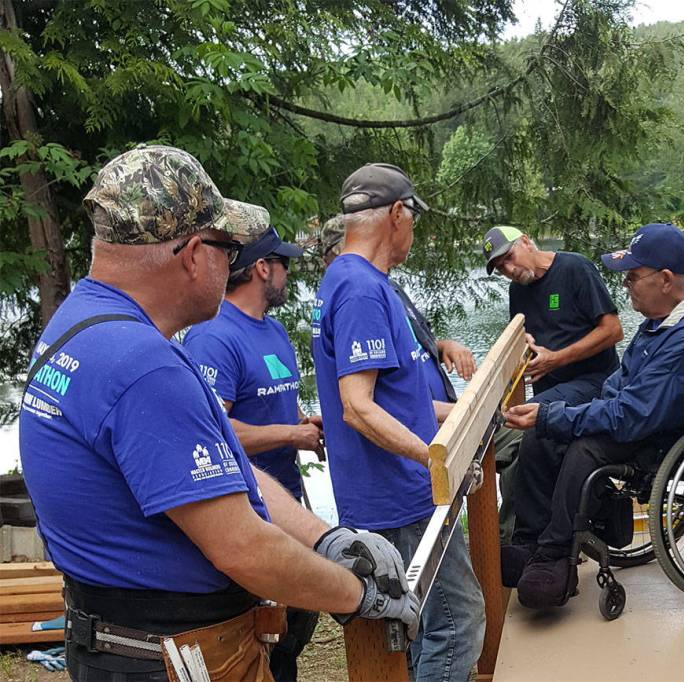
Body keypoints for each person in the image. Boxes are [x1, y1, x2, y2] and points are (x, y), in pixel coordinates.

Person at [18, 146, 419, 682]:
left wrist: (323, 539)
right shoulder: (141, 366)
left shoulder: (83, 324)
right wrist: (359, 596)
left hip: (121, 641)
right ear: (189, 253)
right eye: (227, 248)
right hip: (170, 654)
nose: (231, 264)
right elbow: (242, 547)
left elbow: (220, 472)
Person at [501, 223, 684, 608]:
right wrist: (564, 414)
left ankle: (554, 555)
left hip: (667, 434)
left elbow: (633, 414)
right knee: (543, 432)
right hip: (648, 416)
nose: (625, 285)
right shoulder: (663, 318)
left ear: (665, 279)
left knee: (582, 447)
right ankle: (529, 541)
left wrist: (557, 416)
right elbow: (624, 378)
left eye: (632, 277)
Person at [311, 164, 485, 682]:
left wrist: (472, 415)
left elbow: (399, 398)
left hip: (395, 490)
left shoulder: (354, 280)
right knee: (456, 624)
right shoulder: (361, 289)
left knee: (420, 629)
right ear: (397, 214)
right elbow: (357, 406)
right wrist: (436, 458)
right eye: (413, 218)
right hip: (400, 496)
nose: (413, 231)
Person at [183, 211, 321, 682]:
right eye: (284, 264)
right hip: (245, 512)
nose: (288, 274)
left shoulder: (274, 331)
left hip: (287, 500)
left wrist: (303, 424)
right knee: (260, 636)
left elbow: (265, 412)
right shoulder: (214, 336)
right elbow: (213, 431)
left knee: (293, 629)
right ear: (263, 267)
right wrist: (292, 435)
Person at [483, 225, 624, 543]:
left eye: (508, 257)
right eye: (500, 267)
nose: (508, 269)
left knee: (534, 422)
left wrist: (556, 359)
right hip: (551, 390)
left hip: (595, 382)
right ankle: (571, 524)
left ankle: (533, 540)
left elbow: (614, 330)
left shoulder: (575, 268)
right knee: (515, 438)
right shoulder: (517, 291)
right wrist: (524, 348)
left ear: (526, 241)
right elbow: (524, 339)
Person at [321, 215, 477, 405]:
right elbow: (376, 404)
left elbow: (410, 347)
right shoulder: (355, 302)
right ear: (328, 261)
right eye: (345, 254)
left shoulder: (389, 288)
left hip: (442, 421)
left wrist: (444, 346)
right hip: (422, 426)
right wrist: (458, 411)